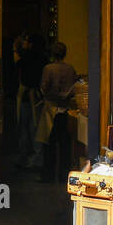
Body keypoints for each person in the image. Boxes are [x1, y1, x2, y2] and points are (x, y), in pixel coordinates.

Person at [36, 42, 79, 182]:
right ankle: (64, 176)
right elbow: (74, 88)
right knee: (65, 145)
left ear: (52, 53)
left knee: (49, 145)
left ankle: (48, 176)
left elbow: (44, 88)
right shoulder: (70, 69)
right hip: (66, 110)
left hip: (51, 109)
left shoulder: (48, 68)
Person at [15, 33, 46, 170]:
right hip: (38, 97)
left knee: (24, 128)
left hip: (26, 97)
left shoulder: (24, 59)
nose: (24, 44)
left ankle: (25, 158)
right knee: (35, 128)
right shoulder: (43, 59)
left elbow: (18, 70)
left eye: (26, 41)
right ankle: (36, 158)